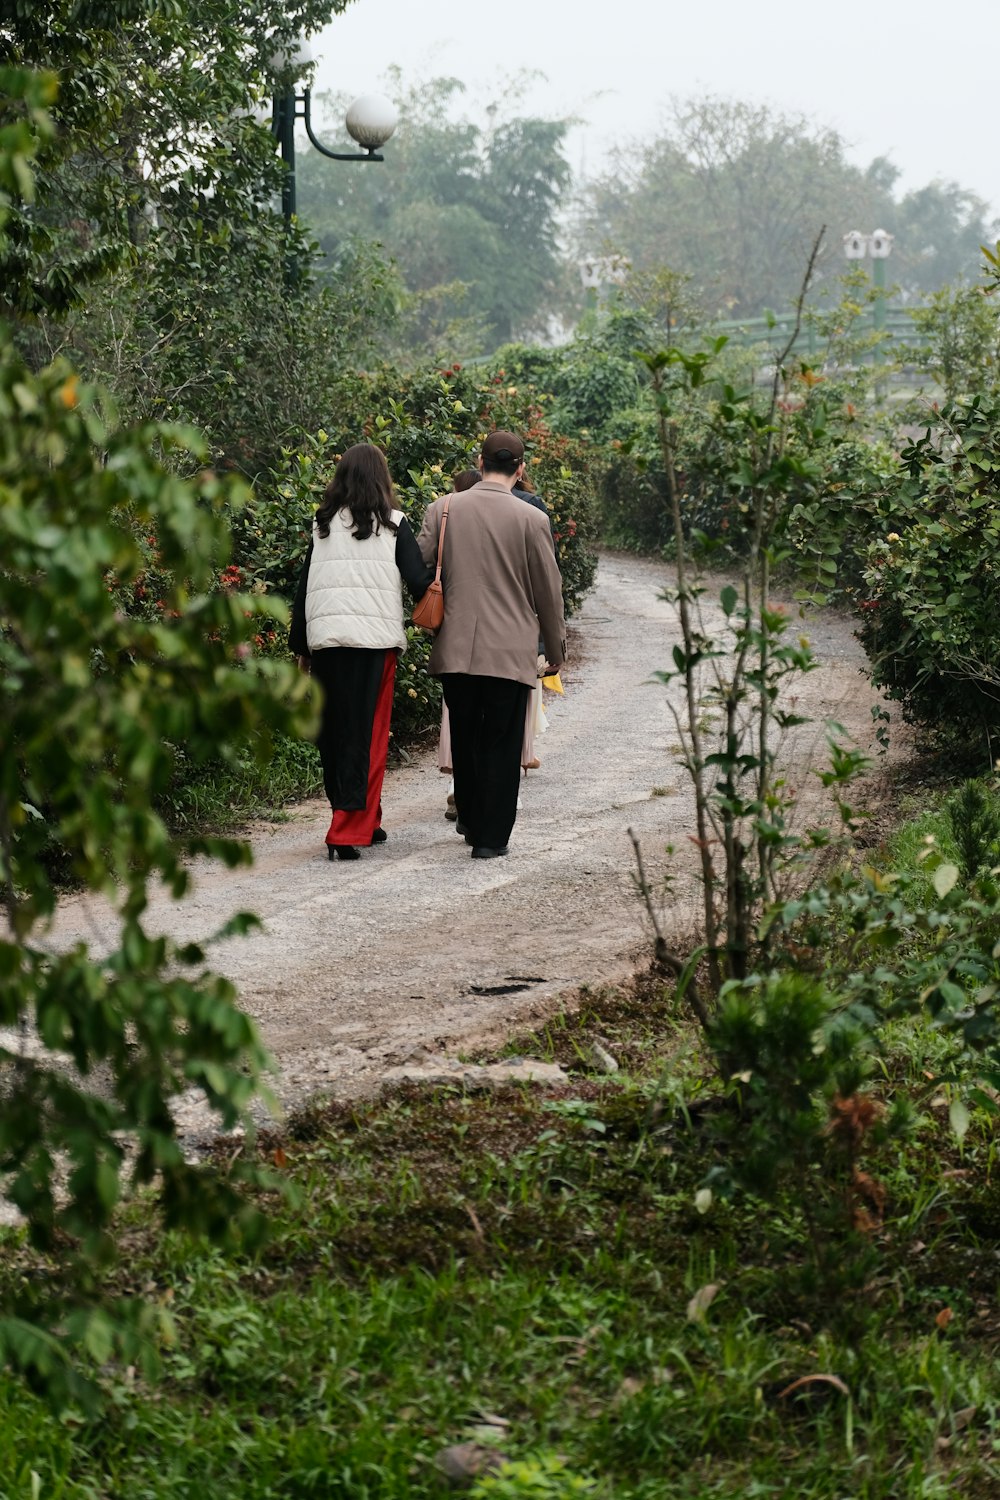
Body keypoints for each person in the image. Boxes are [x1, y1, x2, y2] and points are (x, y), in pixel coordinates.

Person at [417, 430, 566, 859]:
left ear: (479, 461)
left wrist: (432, 620)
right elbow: (548, 592)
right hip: (510, 651)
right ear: (520, 469)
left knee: (464, 735)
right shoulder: (531, 519)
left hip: (455, 647)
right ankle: (491, 837)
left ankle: (469, 818)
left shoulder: (443, 509)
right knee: (501, 743)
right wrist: (555, 651)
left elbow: (419, 569)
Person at [289, 444, 433, 861]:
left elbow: (304, 590)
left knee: (336, 734)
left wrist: (302, 648)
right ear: (381, 479)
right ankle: (345, 830)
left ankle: (366, 817)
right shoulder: (395, 525)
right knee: (367, 736)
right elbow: (419, 583)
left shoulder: (322, 525)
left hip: (328, 643)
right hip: (374, 644)